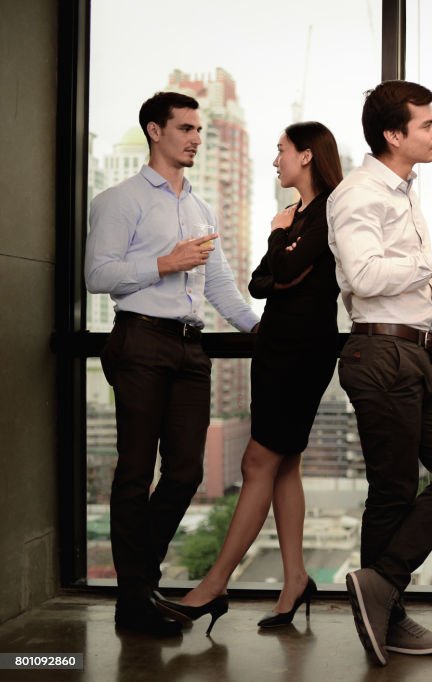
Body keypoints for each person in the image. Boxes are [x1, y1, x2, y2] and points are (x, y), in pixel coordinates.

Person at [154, 122, 343, 634]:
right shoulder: (296, 215)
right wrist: (279, 239)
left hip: (302, 353)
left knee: (258, 459)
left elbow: (277, 276)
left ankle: (215, 584)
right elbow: (263, 282)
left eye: (281, 150)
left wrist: (278, 239)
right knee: (284, 466)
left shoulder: (330, 210)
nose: (275, 159)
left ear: (306, 156)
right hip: (277, 349)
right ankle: (295, 580)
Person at [85, 91, 260, 636]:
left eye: (200, 130)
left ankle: (137, 584)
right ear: (154, 131)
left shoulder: (200, 207)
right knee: (135, 472)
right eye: (185, 128)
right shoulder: (120, 199)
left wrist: (262, 328)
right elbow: (98, 276)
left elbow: (221, 287)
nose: (196, 139)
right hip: (138, 340)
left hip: (190, 347)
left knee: (186, 471)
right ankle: (137, 597)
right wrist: (167, 262)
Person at [327, 80, 432, 666]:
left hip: (420, 351)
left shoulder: (405, 192)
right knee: (392, 491)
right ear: (394, 134)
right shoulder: (358, 193)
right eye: (426, 124)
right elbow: (366, 278)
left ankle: (382, 585)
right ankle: (386, 614)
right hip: (382, 354)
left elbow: (411, 284)